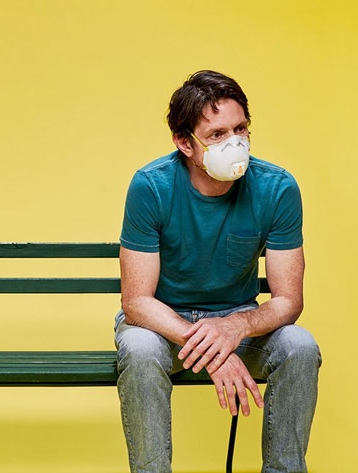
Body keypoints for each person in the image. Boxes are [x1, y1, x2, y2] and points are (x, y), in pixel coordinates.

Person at [114, 70, 321, 473]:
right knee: (138, 350)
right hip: (162, 325)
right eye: (216, 134)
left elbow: (288, 302)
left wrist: (235, 328)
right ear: (183, 142)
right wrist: (212, 349)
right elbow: (137, 302)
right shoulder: (150, 186)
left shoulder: (277, 188)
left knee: (299, 345)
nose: (234, 143)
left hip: (238, 320)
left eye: (241, 128)